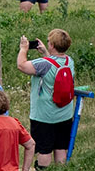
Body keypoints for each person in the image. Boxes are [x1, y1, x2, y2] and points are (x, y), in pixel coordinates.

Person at [16, 29, 78, 168]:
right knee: (61, 148)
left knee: (44, 150)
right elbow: (55, 63)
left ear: (52, 45)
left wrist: (23, 48)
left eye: (49, 42)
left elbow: (21, 65)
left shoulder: (43, 64)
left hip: (44, 116)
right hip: (64, 115)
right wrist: (45, 53)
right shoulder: (69, 61)